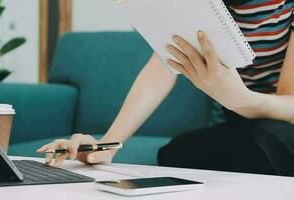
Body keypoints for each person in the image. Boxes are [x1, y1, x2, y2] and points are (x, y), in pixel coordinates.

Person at [37, 0, 294, 176]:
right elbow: (163, 65)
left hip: (281, 119)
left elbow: (288, 103)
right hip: (241, 120)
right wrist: (107, 146)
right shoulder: (208, 6)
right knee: (178, 152)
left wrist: (240, 99)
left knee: (264, 141)